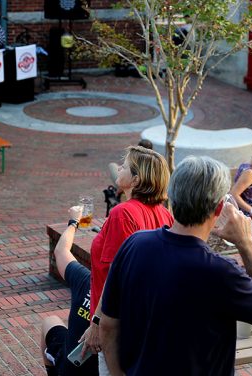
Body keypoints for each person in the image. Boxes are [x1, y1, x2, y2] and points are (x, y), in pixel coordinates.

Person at [98, 156, 252, 375]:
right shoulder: (220, 271)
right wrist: (246, 243)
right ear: (218, 209)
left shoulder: (135, 244)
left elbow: (108, 325)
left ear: (173, 200)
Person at [81, 146, 174, 374]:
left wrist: (96, 323)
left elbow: (116, 275)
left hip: (118, 325)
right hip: (149, 322)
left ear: (136, 179)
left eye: (124, 166)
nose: (119, 168)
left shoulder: (122, 213)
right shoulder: (165, 214)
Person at [40, 206, 98, 376]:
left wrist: (73, 222)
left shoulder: (85, 279)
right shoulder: (134, 295)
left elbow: (61, 251)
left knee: (49, 321)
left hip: (72, 367)